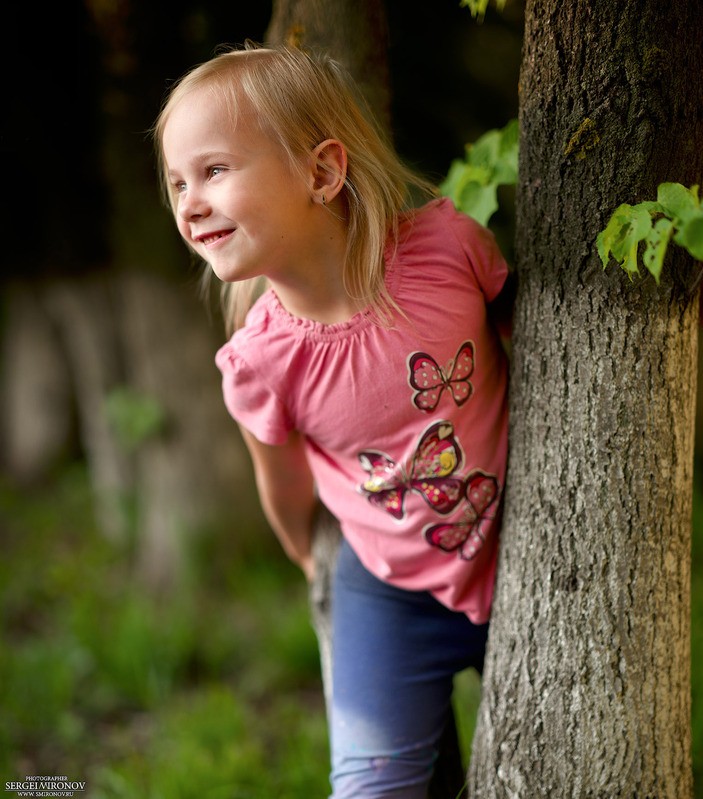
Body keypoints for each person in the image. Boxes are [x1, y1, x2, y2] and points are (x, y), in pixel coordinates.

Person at [154, 42, 511, 799]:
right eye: (177, 181)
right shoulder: (259, 363)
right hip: (388, 587)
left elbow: (522, 353)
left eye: (213, 170)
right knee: (369, 786)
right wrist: (309, 558)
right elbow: (279, 482)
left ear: (322, 172)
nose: (187, 201)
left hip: (519, 555)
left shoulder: (449, 250)